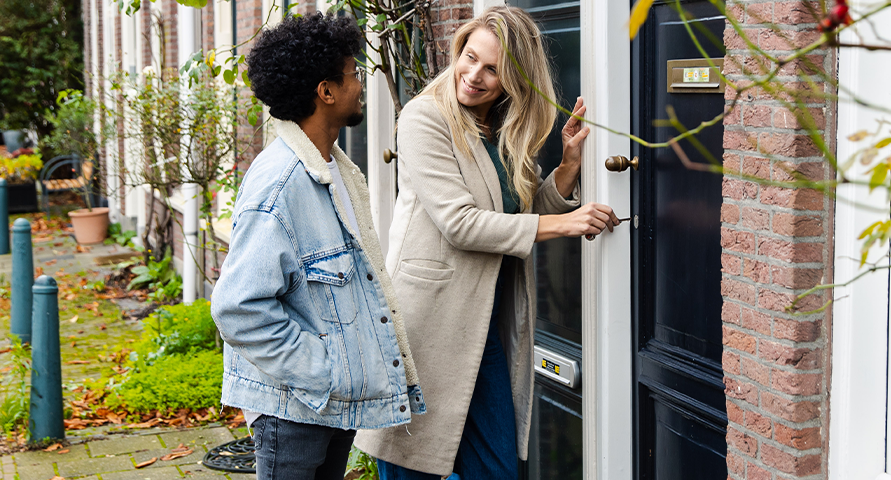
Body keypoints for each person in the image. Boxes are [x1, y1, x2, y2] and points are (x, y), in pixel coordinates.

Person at [353, 7, 619, 479]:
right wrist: (568, 224)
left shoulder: (502, 126)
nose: (473, 75)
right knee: (411, 466)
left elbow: (515, 213)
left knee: (496, 469)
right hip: (430, 323)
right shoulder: (424, 118)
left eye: (492, 68)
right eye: (469, 57)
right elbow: (461, 224)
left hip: (487, 327)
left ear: (514, 78)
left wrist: (568, 168)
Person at [210, 12, 424, 480]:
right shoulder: (280, 184)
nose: (360, 82)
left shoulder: (336, 171)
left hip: (327, 405)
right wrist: (325, 372)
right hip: (294, 408)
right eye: (352, 74)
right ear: (325, 92)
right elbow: (237, 308)